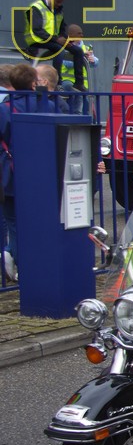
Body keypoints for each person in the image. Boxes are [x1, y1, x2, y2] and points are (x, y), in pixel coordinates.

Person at [0, 64, 57, 282]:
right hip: (42, 173)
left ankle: (20, 265)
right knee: (39, 222)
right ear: (34, 83)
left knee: (14, 224)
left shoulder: (5, 108)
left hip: (11, 173)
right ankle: (39, 266)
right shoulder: (48, 105)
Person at [23, 0, 86, 91]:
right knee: (59, 50)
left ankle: (79, 83)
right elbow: (37, 30)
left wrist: (65, 39)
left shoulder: (58, 10)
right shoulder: (37, 8)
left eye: (61, 2)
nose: (59, 4)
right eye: (57, 1)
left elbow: (62, 29)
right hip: (37, 40)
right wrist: (57, 40)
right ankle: (57, 83)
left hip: (52, 40)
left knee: (78, 51)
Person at [60, 24, 97, 114]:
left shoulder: (86, 48)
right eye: (78, 35)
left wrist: (92, 60)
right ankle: (76, 115)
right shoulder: (65, 47)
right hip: (67, 82)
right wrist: (80, 56)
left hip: (83, 84)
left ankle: (84, 118)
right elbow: (67, 63)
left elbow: (95, 63)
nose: (80, 37)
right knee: (75, 97)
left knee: (86, 107)